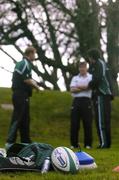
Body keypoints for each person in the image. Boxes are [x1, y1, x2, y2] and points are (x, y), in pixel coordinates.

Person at [5, 46, 40, 150]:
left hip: (24, 95)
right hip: (20, 94)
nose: (35, 56)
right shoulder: (25, 63)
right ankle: (10, 141)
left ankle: (25, 141)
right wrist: (36, 87)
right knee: (18, 117)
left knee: (25, 119)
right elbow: (26, 79)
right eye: (34, 54)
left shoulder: (26, 64)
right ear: (30, 54)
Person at [87, 48, 113, 149]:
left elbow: (97, 78)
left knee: (101, 120)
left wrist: (88, 85)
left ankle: (104, 143)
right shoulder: (96, 65)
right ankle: (106, 142)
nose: (89, 59)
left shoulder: (99, 64)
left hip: (102, 94)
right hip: (102, 95)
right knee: (102, 120)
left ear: (92, 56)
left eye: (89, 57)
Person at [70, 61, 93, 149]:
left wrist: (78, 87)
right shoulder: (75, 78)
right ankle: (73, 144)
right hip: (76, 101)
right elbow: (72, 90)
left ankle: (88, 144)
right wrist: (84, 87)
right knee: (74, 123)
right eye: (80, 67)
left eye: (83, 67)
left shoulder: (91, 77)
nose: (82, 69)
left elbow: (90, 87)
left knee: (87, 123)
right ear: (79, 68)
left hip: (86, 101)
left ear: (86, 68)